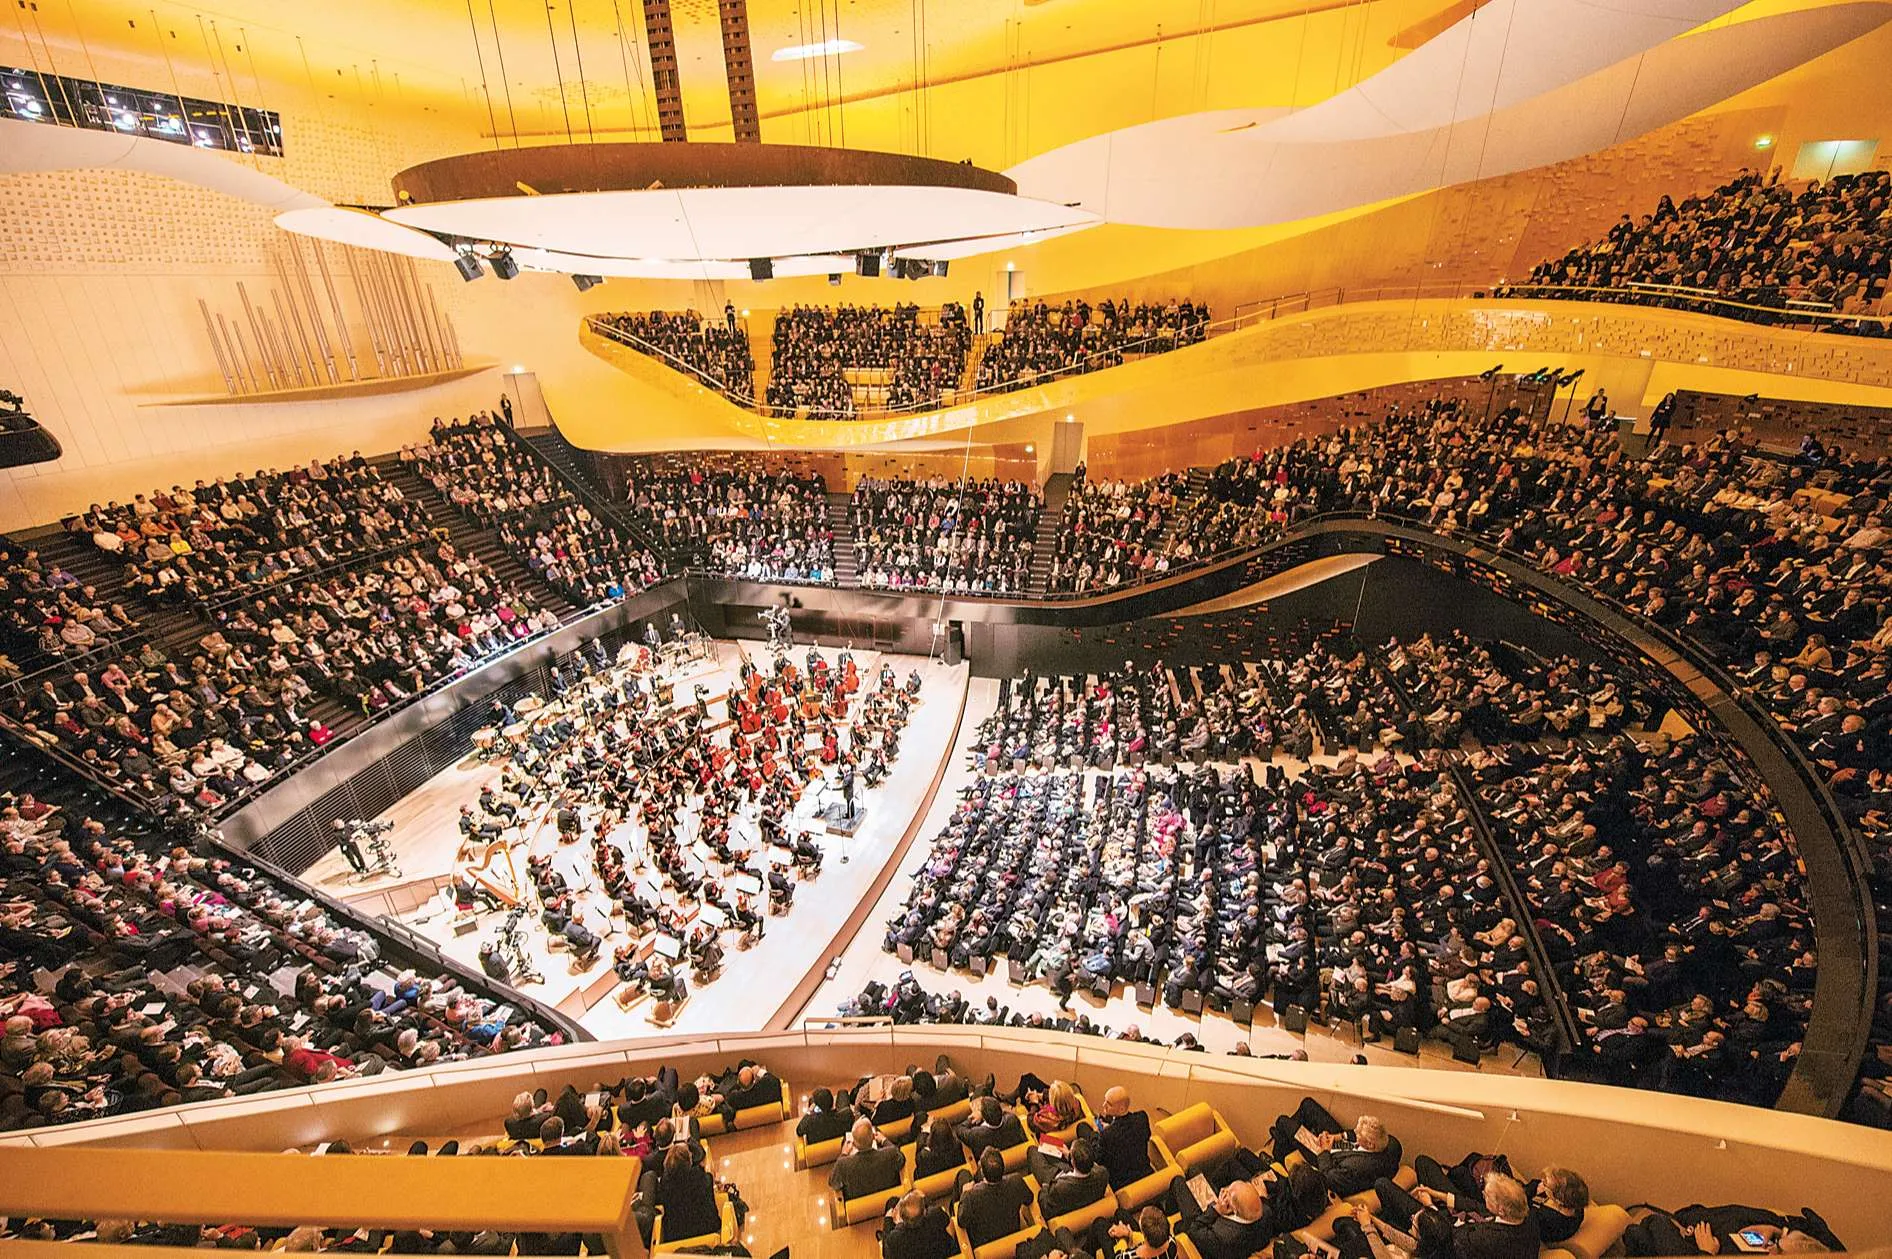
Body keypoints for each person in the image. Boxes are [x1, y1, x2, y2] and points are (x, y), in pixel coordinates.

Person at [1172, 1176, 1271, 1259]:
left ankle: (1169, 1210)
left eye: (1228, 1193)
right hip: (1222, 1218)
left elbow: (1194, 1230)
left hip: (1202, 1227)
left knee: (1177, 1181)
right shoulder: (1266, 1211)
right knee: (1193, 1172)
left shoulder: (1223, 1237)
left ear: (1235, 1210)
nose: (1224, 1189)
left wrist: (1216, 1209)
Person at [956, 1148, 1034, 1250]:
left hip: (984, 1245)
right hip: (1012, 1231)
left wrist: (964, 1193)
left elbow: (961, 1221)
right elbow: (1029, 1199)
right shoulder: (1016, 1181)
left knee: (963, 1174)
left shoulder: (970, 1196)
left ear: (983, 1172)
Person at [831, 1117, 904, 1202]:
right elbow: (901, 1160)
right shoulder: (890, 1152)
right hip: (889, 1197)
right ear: (873, 1137)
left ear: (854, 1144)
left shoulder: (843, 1164)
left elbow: (833, 1183)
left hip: (858, 1206)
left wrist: (843, 1153)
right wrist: (884, 1140)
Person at [1095, 1086, 1154, 1190]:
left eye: (1109, 1104)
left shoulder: (1106, 1135)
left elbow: (1098, 1161)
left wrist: (1098, 1133)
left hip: (1122, 1185)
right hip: (1145, 1174)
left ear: (1121, 1108)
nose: (1104, 1105)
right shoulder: (1142, 1118)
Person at [1038, 1137, 1111, 1220]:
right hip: (1069, 1175)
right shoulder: (1103, 1173)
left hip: (1054, 1182)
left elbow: (1046, 1210)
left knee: (1033, 1150)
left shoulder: (1060, 1188)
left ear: (1073, 1162)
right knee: (1049, 1147)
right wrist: (1069, 1155)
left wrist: (1045, 1187)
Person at [883, 1190, 958, 1259]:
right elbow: (946, 1220)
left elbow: (887, 1254)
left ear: (902, 1217)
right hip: (945, 1253)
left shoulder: (895, 1238)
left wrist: (888, 1219)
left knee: (891, 1202)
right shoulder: (935, 1215)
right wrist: (925, 1198)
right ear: (925, 1211)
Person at [955, 1095, 1028, 1159]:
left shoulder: (976, 1134)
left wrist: (971, 1119)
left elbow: (959, 1129)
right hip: (1015, 1156)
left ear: (984, 1117)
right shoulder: (1012, 1119)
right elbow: (1004, 1113)